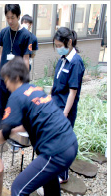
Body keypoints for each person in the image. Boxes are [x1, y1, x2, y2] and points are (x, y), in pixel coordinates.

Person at [0, 56, 78, 196]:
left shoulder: (17, 96)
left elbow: (4, 133)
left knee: (18, 189)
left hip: (57, 151)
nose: (6, 85)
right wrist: (16, 130)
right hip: (70, 143)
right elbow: (30, 121)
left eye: (7, 80)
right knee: (44, 165)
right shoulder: (35, 89)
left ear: (16, 78)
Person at [49, 27, 85, 184]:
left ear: (69, 42)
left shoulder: (76, 62)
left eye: (59, 45)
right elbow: (56, 84)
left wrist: (64, 114)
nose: (58, 48)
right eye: (56, 45)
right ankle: (56, 170)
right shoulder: (62, 59)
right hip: (56, 107)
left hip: (65, 110)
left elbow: (72, 92)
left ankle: (63, 175)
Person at [0, 4, 32, 132]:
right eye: (7, 17)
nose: (10, 21)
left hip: (16, 81)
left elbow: (26, 59)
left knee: (15, 108)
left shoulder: (26, 35)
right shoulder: (4, 32)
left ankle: (14, 135)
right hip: (2, 78)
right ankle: (0, 134)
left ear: (18, 16)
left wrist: (25, 82)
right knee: (1, 108)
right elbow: (0, 54)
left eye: (13, 18)